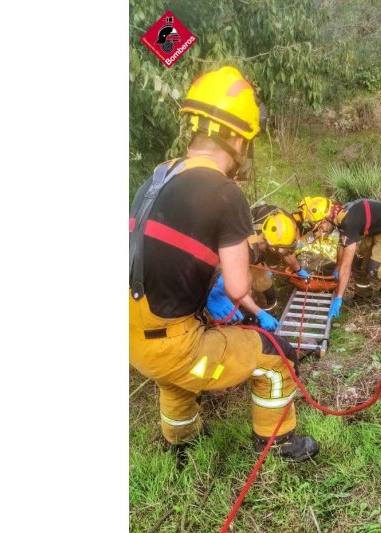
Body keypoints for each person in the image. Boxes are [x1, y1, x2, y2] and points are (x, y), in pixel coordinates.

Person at [128, 66, 319, 462]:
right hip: (176, 346)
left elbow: (177, 250)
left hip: (133, 337)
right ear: (236, 138)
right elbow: (236, 287)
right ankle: (278, 443)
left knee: (175, 378)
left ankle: (182, 441)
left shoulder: (159, 176)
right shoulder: (225, 191)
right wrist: (256, 261)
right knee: (277, 356)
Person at [298, 196, 381, 319]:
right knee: (358, 262)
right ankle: (363, 295)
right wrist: (337, 267)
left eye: (320, 227)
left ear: (325, 220)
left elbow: (346, 265)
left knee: (374, 269)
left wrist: (338, 298)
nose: (321, 231)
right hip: (375, 229)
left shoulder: (348, 222)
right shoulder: (338, 215)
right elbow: (342, 245)